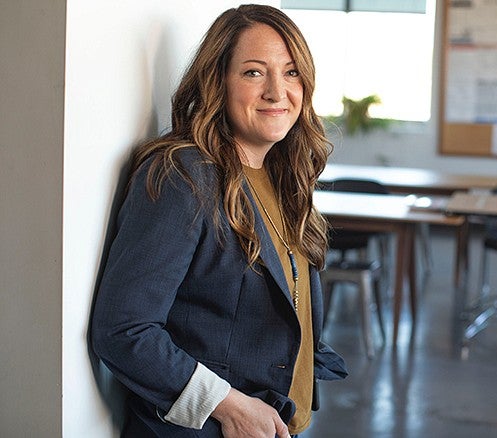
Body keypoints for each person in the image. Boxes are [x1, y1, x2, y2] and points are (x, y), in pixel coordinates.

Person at [90, 5, 347, 437]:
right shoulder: (184, 175)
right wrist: (228, 406)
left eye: (291, 73)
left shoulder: (283, 177)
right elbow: (123, 329)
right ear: (218, 81)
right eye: (253, 72)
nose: (276, 92)